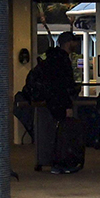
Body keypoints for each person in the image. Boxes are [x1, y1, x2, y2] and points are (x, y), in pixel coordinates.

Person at [21, 34, 79, 171]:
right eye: (73, 41)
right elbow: (63, 85)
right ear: (67, 43)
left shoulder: (50, 58)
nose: (76, 44)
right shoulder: (62, 60)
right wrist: (67, 105)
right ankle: (60, 163)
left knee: (50, 132)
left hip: (48, 99)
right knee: (62, 134)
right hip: (58, 101)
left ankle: (49, 160)